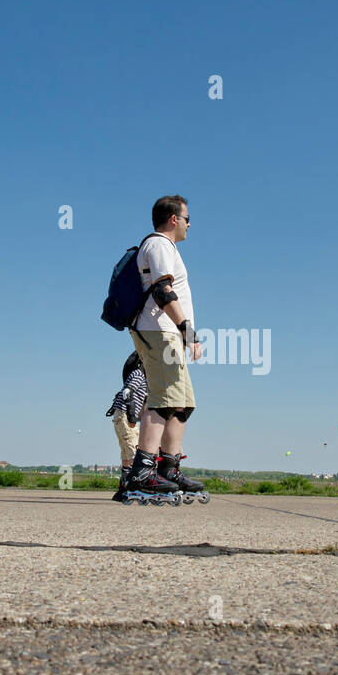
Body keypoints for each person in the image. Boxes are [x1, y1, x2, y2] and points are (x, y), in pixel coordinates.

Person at [123, 194, 205, 497]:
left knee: (182, 404)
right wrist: (186, 328)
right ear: (174, 219)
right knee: (164, 399)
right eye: (186, 218)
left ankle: (168, 469)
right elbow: (161, 289)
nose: (189, 224)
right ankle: (142, 472)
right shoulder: (157, 245)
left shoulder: (167, 247)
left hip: (168, 334)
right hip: (158, 330)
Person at [106, 350, 148, 502]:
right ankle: (132, 487)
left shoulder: (140, 376)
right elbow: (127, 393)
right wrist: (131, 416)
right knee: (133, 451)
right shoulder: (138, 375)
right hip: (125, 415)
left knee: (126, 453)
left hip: (120, 416)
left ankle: (123, 488)